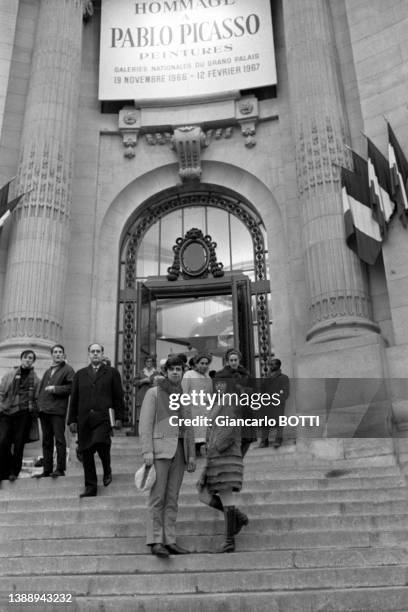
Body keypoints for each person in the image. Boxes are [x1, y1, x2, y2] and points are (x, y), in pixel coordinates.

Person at [139, 354, 196, 558]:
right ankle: (155, 540)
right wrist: (147, 451)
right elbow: (145, 424)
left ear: (182, 372)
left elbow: (189, 428)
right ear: (165, 371)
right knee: (157, 498)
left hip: (179, 452)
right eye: (171, 369)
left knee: (173, 498)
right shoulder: (154, 393)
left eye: (178, 369)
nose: (175, 372)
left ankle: (170, 540)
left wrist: (191, 456)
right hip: (160, 451)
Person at [197, 377, 248, 553]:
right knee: (203, 494)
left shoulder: (228, 404)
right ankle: (238, 518)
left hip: (225, 460)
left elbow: (227, 431)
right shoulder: (217, 406)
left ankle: (229, 540)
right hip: (216, 460)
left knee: (225, 497)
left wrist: (213, 446)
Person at [68, 343, 124, 497]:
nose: (95, 354)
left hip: (104, 417)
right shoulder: (80, 374)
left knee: (101, 443)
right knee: (86, 453)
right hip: (84, 418)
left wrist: (119, 417)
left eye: (98, 351)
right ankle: (90, 487)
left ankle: (107, 469)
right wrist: (71, 419)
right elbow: (74, 398)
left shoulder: (112, 373)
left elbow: (118, 396)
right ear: (89, 354)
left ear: (102, 354)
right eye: (92, 351)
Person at [36, 345, 75, 478]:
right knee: (46, 441)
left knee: (59, 439)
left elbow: (71, 387)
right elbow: (41, 390)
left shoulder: (68, 370)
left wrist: (55, 389)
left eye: (60, 352)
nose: (58, 354)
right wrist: (38, 406)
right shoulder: (48, 371)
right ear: (51, 355)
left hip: (57, 410)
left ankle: (60, 468)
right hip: (44, 410)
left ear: (64, 355)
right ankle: (47, 469)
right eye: (55, 352)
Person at [0, 350, 39, 481]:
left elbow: (37, 397)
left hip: (24, 414)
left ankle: (13, 472)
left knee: (19, 444)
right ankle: (4, 469)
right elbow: (1, 392)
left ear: (33, 361)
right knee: (2, 441)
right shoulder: (9, 375)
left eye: (31, 358)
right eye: (26, 357)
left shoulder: (36, 379)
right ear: (21, 359)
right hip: (7, 412)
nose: (28, 360)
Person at [215, 348, 256, 457]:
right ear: (227, 361)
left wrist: (246, 391)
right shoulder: (221, 375)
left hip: (245, 411)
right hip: (230, 412)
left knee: (246, 439)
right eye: (231, 360)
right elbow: (218, 393)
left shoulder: (245, 374)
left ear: (239, 360)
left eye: (235, 360)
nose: (233, 362)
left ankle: (238, 460)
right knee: (230, 440)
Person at [181, 352, 213, 457]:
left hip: (203, 411)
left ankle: (198, 453)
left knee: (202, 436)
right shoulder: (189, 374)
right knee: (192, 435)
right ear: (196, 363)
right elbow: (184, 392)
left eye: (206, 363)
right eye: (202, 363)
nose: (204, 366)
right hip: (191, 410)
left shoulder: (208, 378)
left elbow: (209, 396)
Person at [258, 358, 290, 448]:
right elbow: (262, 390)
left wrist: (279, 399)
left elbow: (286, 392)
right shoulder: (266, 378)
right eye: (270, 364)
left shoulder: (283, 378)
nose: (270, 366)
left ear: (278, 365)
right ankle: (264, 441)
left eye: (273, 364)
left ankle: (278, 439)